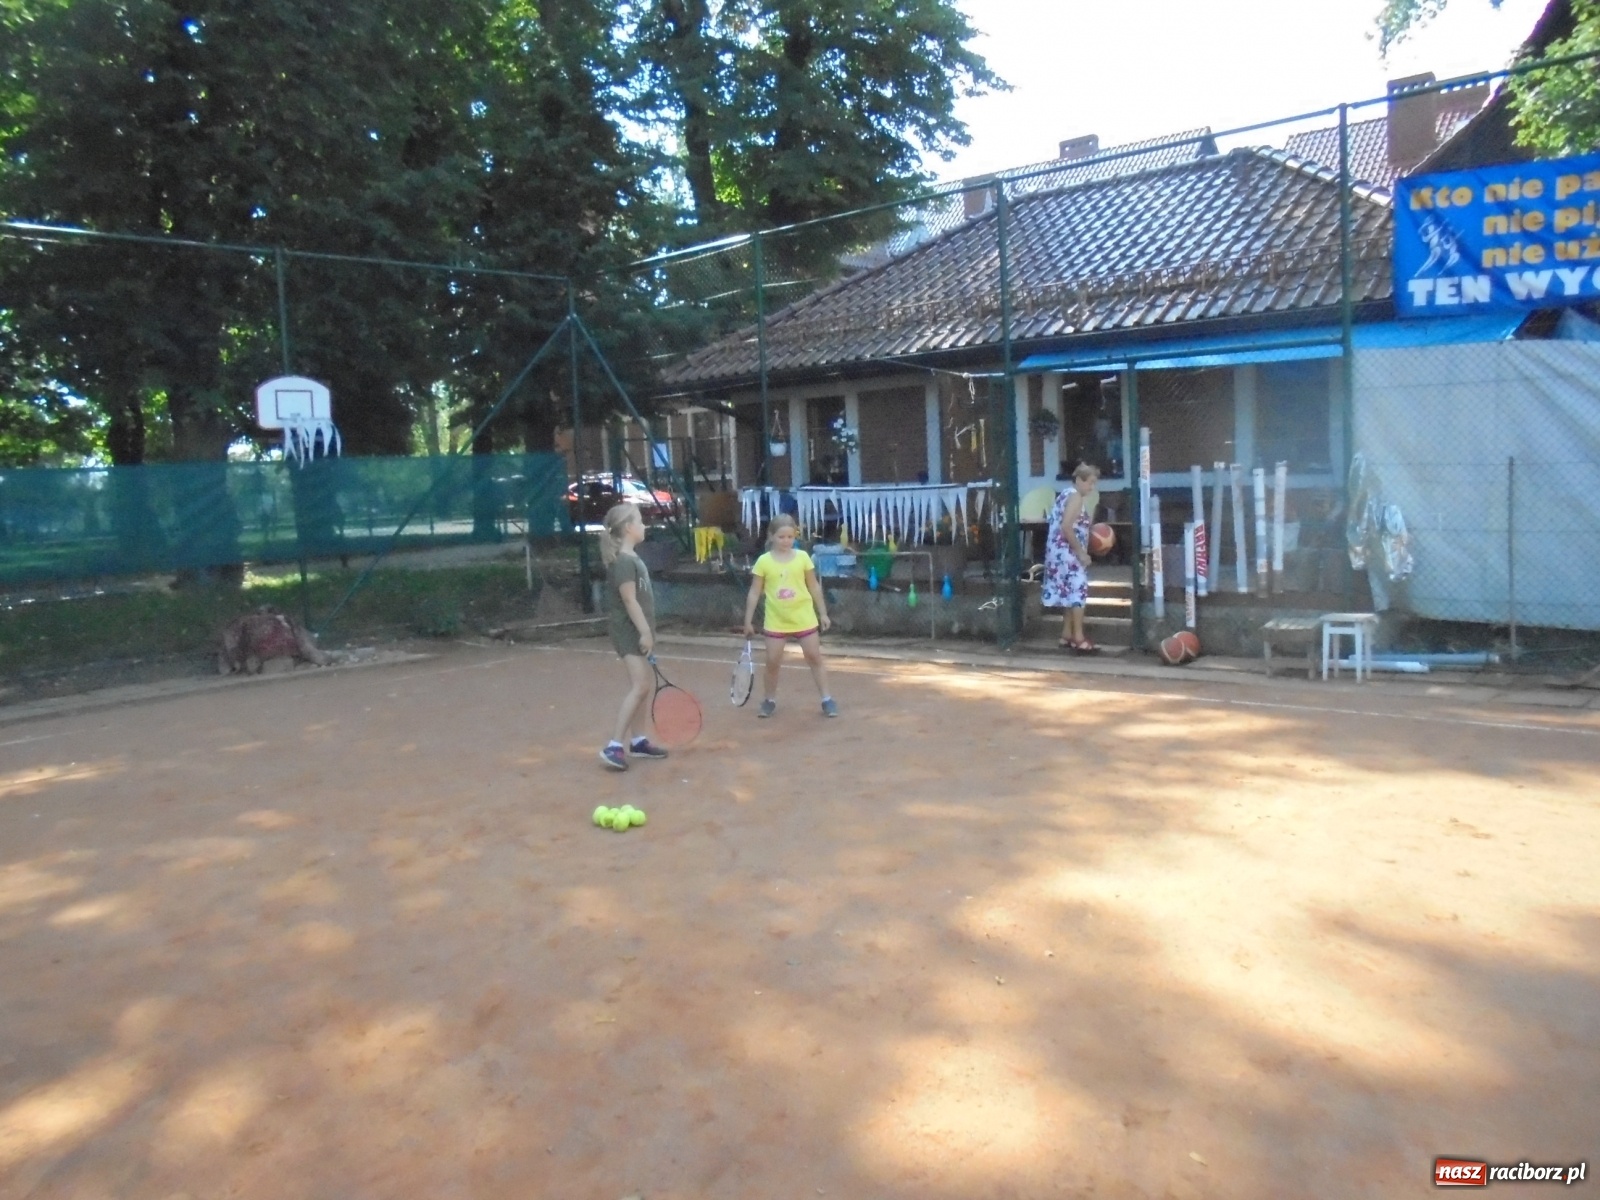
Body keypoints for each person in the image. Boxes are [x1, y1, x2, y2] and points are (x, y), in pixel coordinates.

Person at [742, 514, 838, 718]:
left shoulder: (803, 557)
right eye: (781, 537)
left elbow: (814, 586)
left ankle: (827, 699)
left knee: (814, 657)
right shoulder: (763, 561)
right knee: (772, 661)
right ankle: (769, 700)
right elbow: (754, 592)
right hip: (776, 620)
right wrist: (747, 621)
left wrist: (823, 613)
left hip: (804, 618)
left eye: (790, 537)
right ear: (771, 536)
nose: (786, 541)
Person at [597, 502, 670, 770]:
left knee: (643, 686)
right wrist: (645, 632)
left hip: (636, 632)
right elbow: (629, 600)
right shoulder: (624, 563)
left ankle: (638, 741)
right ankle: (614, 745)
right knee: (640, 686)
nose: (643, 525)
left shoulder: (631, 559)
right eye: (639, 521)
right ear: (628, 528)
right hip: (628, 632)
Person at [1043, 462, 1100, 653]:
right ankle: (1079, 637)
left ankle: (1066, 634)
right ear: (1079, 480)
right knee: (1078, 591)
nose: (1092, 487)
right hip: (1068, 553)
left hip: (1057, 553)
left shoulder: (1064, 494)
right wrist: (1081, 553)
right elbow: (1067, 526)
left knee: (1068, 592)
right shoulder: (1075, 497)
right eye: (1090, 482)